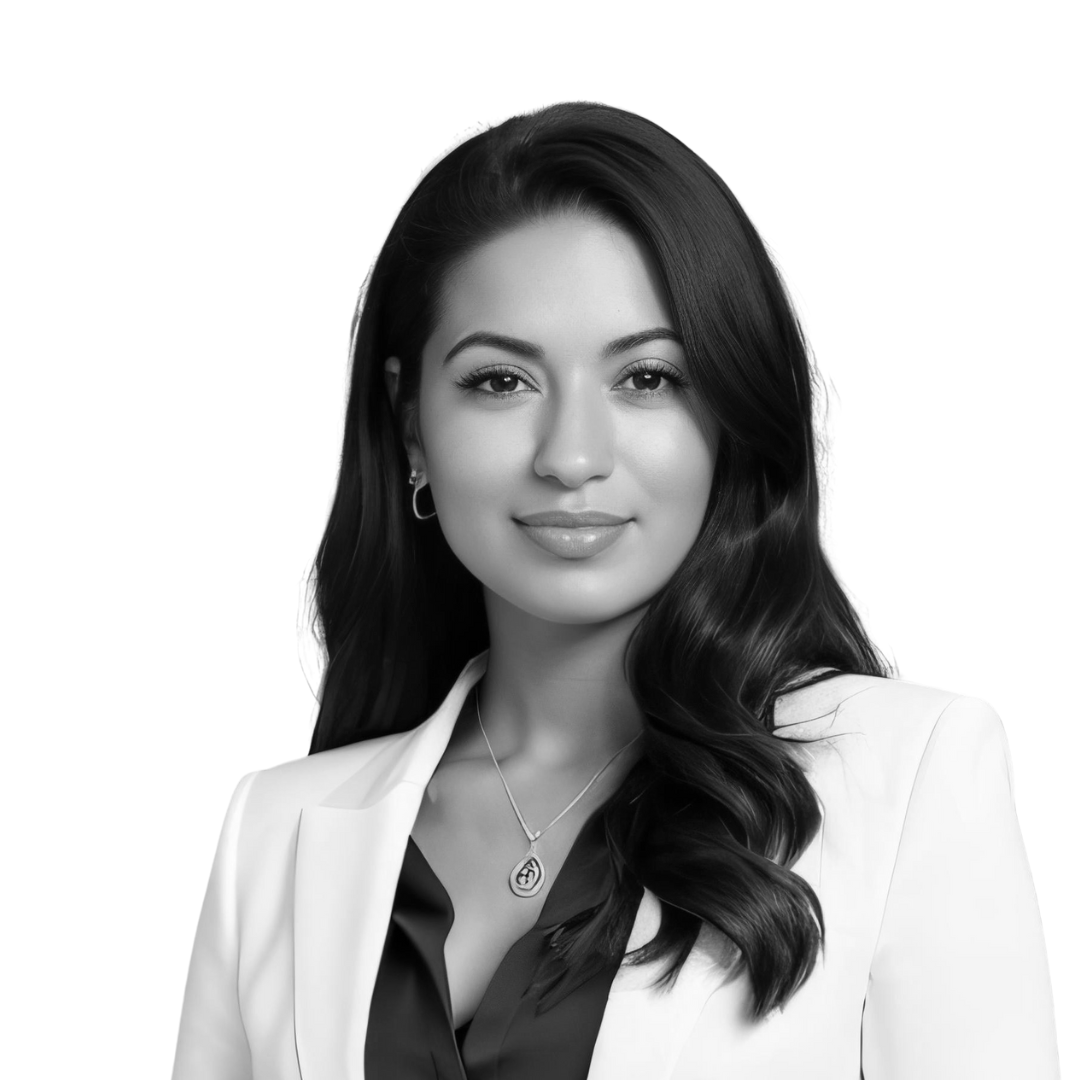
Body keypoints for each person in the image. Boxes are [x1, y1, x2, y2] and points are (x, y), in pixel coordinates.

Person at [170, 102, 1059, 1080]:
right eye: (501, 382)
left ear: (729, 410)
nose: (573, 457)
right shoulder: (277, 833)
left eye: (645, 378)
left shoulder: (906, 781)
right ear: (411, 425)